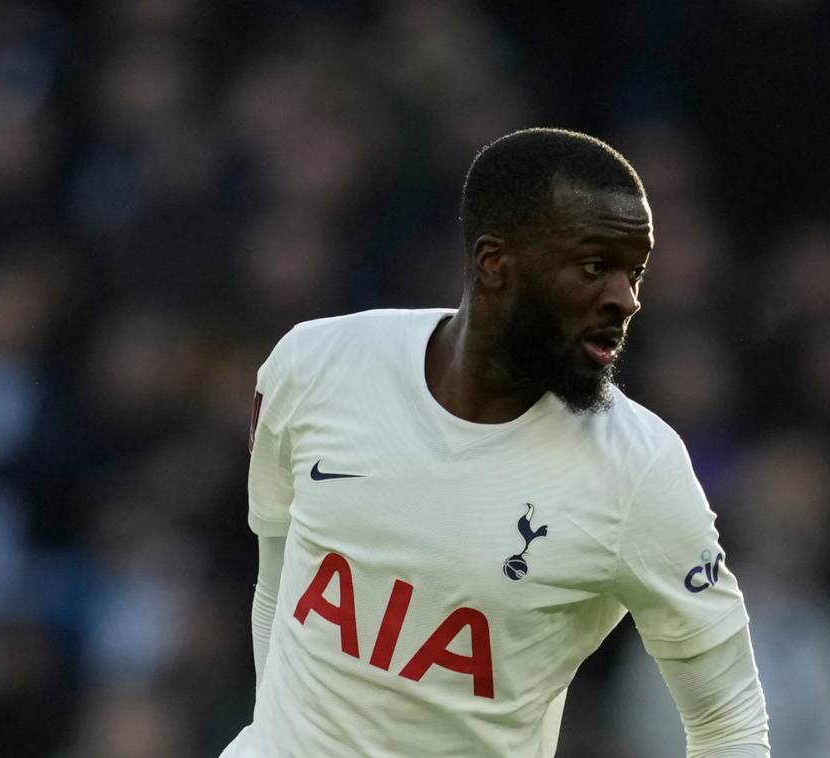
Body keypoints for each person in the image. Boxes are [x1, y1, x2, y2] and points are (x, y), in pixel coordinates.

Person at [222, 128, 770, 757]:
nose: (626, 299)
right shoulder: (315, 365)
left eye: (635, 272)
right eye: (596, 266)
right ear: (495, 264)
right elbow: (276, 583)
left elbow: (728, 720)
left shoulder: (637, 469)